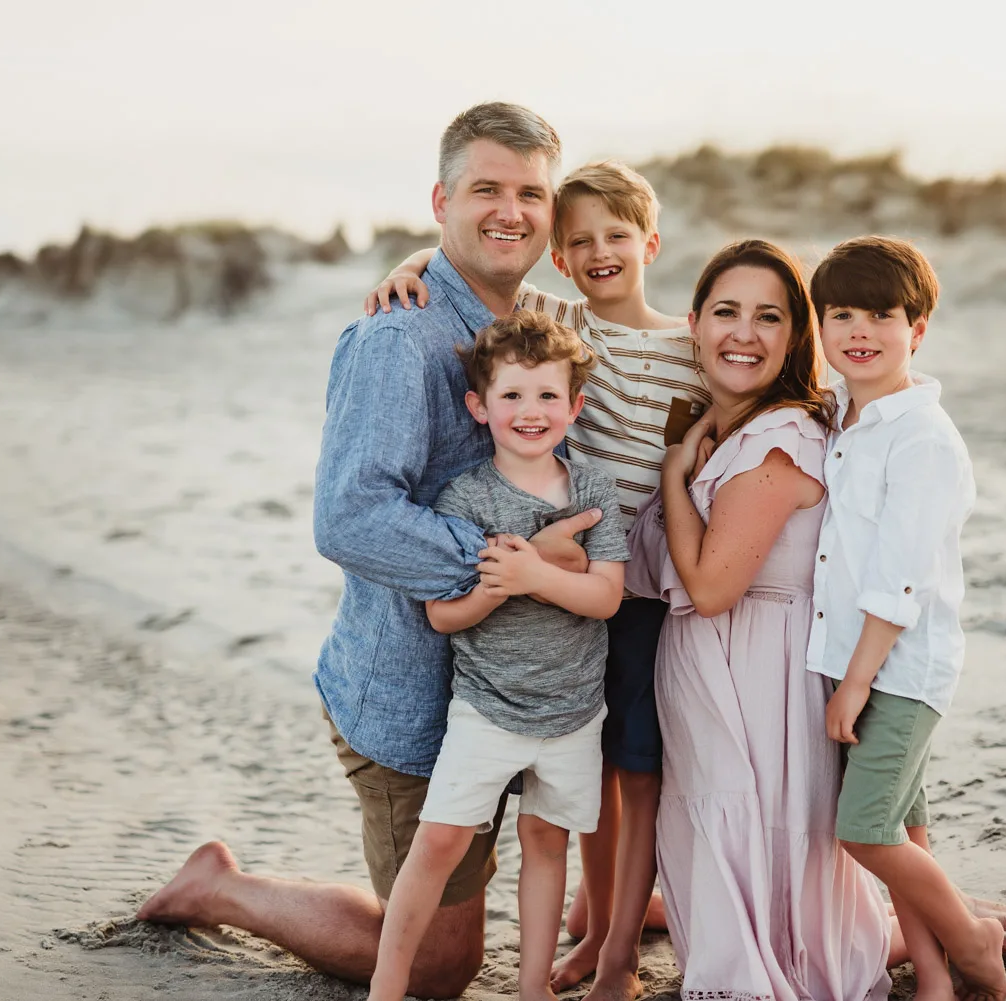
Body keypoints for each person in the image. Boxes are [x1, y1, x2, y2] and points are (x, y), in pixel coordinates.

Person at [136, 102, 606, 998]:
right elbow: (349, 517)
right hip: (413, 701)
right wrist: (522, 563)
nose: (510, 211)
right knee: (435, 965)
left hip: (516, 685)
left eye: (530, 194)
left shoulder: (529, 322)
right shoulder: (402, 337)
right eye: (485, 190)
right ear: (440, 198)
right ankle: (221, 887)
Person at [365, 159, 706, 1001]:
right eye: (579, 240)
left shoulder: (689, 343)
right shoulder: (551, 317)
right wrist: (408, 264)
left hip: (642, 583)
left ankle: (614, 941)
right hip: (559, 600)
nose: (597, 252)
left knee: (625, 770)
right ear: (558, 256)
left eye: (616, 238)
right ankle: (592, 933)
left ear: (650, 243)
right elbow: (469, 263)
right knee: (585, 779)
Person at [633, 239, 894, 1001]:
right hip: (717, 671)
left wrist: (676, 477)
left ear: (794, 338)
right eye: (726, 312)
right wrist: (414, 267)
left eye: (768, 317)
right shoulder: (721, 426)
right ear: (693, 323)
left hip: (755, 671)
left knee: (755, 844)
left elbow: (712, 585)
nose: (743, 333)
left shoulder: (777, 440)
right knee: (729, 842)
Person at [369, 310, 629, 1001]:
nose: (531, 411)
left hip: (574, 712)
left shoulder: (593, 490)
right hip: (486, 710)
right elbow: (443, 612)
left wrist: (534, 576)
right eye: (512, 395)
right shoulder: (466, 496)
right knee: (440, 842)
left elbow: (606, 597)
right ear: (479, 407)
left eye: (548, 395)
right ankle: (386, 987)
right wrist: (498, 588)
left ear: (575, 406)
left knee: (547, 843)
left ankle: (531, 987)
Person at [808, 237, 1006, 1000]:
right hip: (854, 660)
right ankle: (931, 975)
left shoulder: (922, 437)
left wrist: (854, 684)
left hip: (897, 669)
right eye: (842, 314)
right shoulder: (840, 416)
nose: (860, 330)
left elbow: (899, 581)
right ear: (820, 328)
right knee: (908, 827)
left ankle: (971, 936)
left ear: (916, 328)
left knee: (863, 829)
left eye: (882, 315)